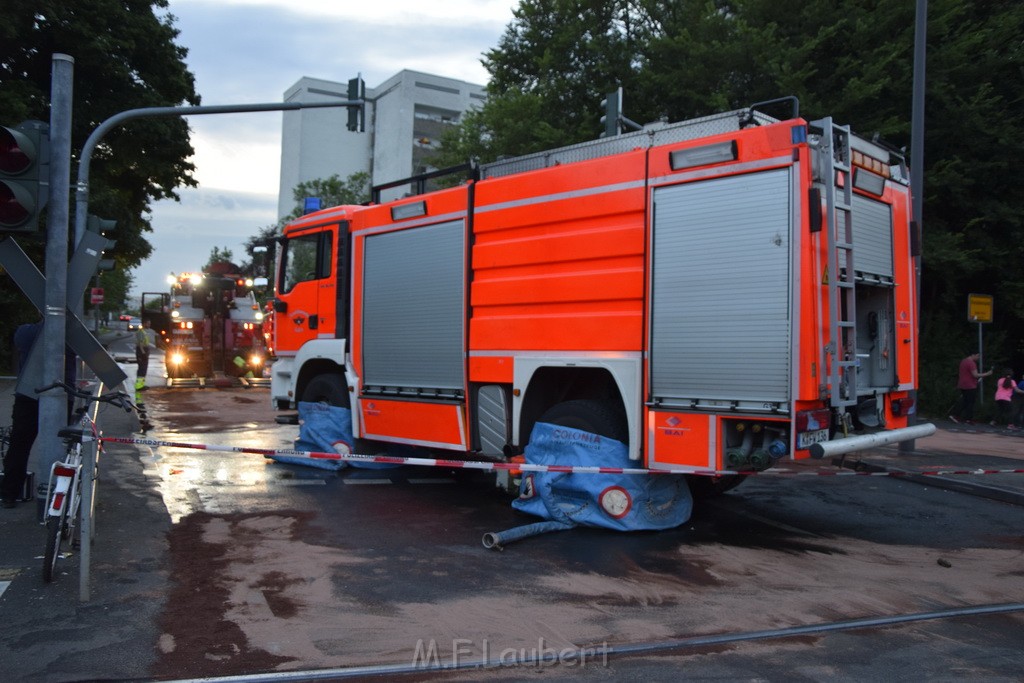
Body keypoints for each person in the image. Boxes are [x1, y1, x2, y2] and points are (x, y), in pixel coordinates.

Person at [2, 321, 43, 508]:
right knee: (63, 445)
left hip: (27, 394)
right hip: (61, 392)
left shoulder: (26, 332)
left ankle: (10, 494)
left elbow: (20, 341)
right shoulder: (70, 334)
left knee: (19, 444)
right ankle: (55, 496)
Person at [949, 352, 992, 425]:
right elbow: (975, 375)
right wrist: (987, 374)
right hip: (970, 385)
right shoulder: (971, 363)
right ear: (973, 354)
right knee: (970, 403)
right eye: (978, 356)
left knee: (965, 401)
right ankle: (967, 419)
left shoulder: (963, 361)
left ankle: (956, 415)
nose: (978, 358)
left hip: (962, 384)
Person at [135, 318, 152, 390]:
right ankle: (139, 386)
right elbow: (141, 344)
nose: (149, 325)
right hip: (142, 352)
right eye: (148, 323)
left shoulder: (143, 332)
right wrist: (143, 353)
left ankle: (141, 385)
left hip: (143, 351)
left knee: (143, 369)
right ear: (144, 324)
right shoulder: (141, 332)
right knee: (142, 369)